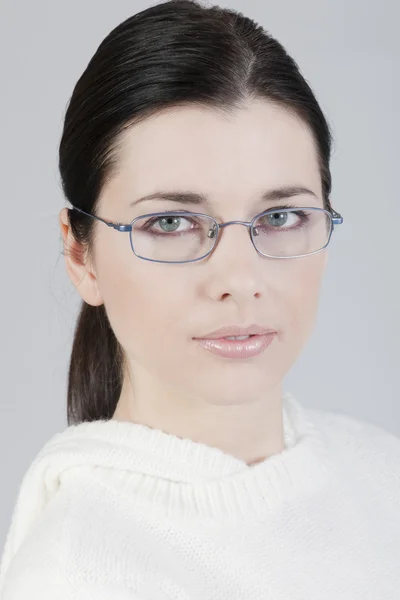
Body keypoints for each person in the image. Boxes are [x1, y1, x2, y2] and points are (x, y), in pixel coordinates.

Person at [1, 0, 399, 598]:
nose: (239, 279)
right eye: (170, 223)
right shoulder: (74, 574)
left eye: (282, 215)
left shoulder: (382, 472)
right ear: (81, 256)